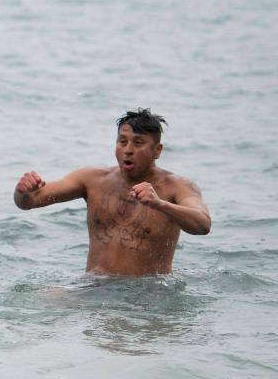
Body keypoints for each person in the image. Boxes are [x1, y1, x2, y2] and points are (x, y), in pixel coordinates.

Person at [13, 108, 211, 276]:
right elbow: (29, 202)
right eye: (122, 141)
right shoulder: (93, 180)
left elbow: (203, 224)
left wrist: (160, 204)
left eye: (138, 143)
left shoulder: (177, 187)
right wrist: (23, 192)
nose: (128, 149)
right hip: (94, 287)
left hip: (149, 294)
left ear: (157, 151)